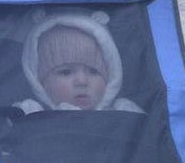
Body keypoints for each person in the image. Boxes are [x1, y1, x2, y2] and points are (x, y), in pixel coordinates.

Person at [15, 9, 144, 113]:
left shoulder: (123, 113)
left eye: (93, 71)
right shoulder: (32, 115)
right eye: (66, 72)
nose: (82, 81)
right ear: (40, 82)